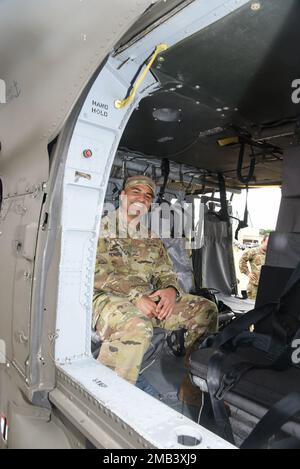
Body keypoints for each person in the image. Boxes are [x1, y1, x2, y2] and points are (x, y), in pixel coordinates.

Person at [93, 175, 218, 385]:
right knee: (137, 325)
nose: (142, 198)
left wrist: (170, 290)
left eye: (148, 196)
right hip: (106, 298)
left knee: (206, 310)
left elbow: (165, 272)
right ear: (123, 196)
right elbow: (96, 272)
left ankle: (194, 385)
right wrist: (135, 298)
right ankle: (107, 395)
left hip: (148, 301)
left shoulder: (151, 237)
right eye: (136, 192)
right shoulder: (99, 228)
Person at [239, 235, 269, 300]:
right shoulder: (253, 251)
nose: (269, 245)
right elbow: (242, 260)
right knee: (252, 305)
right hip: (254, 286)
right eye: (268, 242)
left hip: (266, 286)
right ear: (262, 241)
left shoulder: (271, 254)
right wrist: (248, 273)